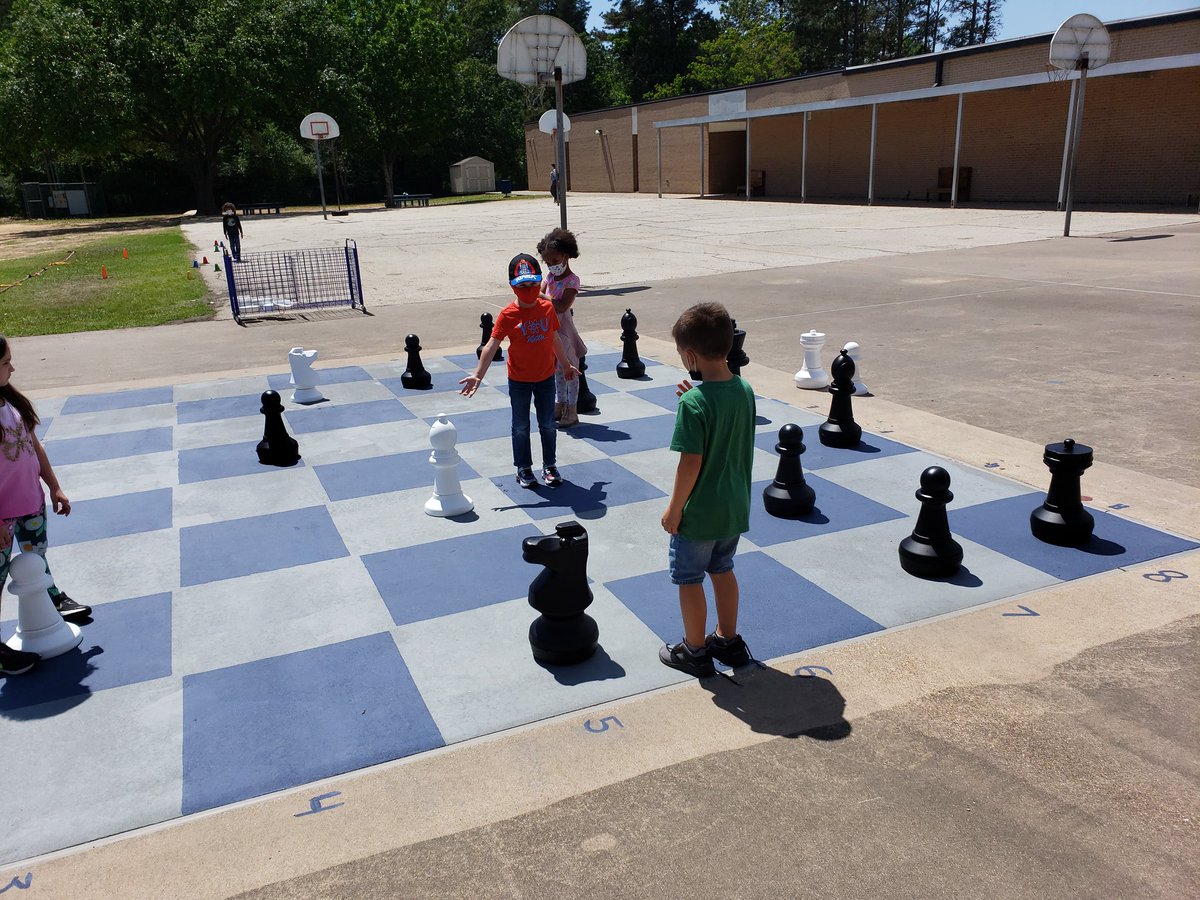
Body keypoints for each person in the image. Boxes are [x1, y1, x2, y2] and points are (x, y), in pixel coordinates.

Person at [658, 303, 756, 678]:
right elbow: (721, 411)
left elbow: (690, 464)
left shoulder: (693, 404)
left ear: (689, 356)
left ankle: (694, 650)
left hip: (699, 513)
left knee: (688, 579)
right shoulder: (745, 390)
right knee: (723, 569)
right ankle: (727, 640)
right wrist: (693, 395)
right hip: (733, 508)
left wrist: (674, 509)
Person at [0, 335, 92, 677]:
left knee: (36, 557)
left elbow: (34, 448)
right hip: (1, 514)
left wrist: (54, 486)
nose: (12, 367)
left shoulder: (12, 403)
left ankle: (52, 598)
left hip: (30, 504)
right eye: (6, 362)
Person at [460, 254, 579, 489]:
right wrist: (478, 375)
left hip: (545, 378)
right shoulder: (508, 315)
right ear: (513, 286)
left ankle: (549, 465)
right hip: (519, 380)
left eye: (534, 284)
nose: (529, 290)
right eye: (523, 285)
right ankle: (523, 467)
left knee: (547, 424)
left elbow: (554, 337)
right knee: (521, 426)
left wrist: (565, 364)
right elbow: (492, 344)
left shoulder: (546, 308)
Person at [537, 228, 586, 428]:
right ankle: (560, 403)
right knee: (556, 370)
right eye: (547, 263)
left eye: (554, 261)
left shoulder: (572, 281)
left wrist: (541, 297)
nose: (551, 266)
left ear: (565, 256)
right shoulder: (549, 277)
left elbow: (561, 305)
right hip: (550, 330)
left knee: (570, 371)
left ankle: (572, 410)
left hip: (564, 331)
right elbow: (538, 296)